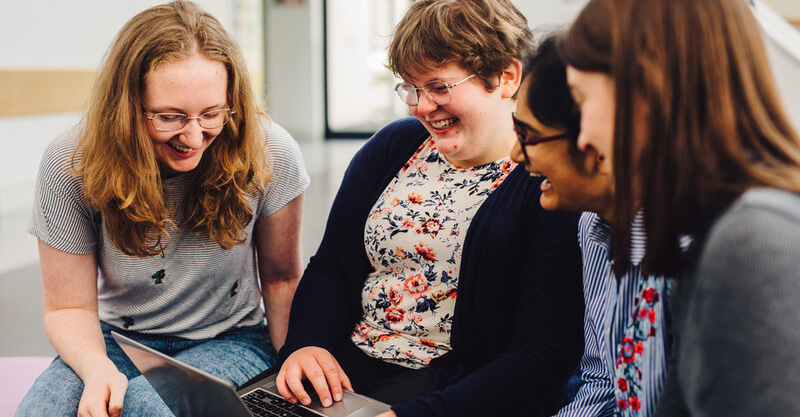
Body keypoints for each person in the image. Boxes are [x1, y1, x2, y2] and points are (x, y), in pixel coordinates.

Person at [272, 1, 585, 416]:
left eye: (439, 87)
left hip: (455, 391)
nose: (421, 106)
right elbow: (332, 267)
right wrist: (306, 344)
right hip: (350, 371)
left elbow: (542, 355)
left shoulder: (543, 179)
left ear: (507, 76)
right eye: (411, 89)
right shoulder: (393, 147)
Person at [16, 1, 310, 416]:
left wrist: (292, 370)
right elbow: (69, 307)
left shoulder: (271, 151)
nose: (193, 136)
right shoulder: (72, 161)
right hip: (116, 339)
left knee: (145, 409)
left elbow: (282, 280)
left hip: (231, 339)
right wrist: (98, 369)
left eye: (211, 113)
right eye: (170, 117)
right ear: (128, 106)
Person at [560, 0, 800, 416]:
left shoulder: (753, 240)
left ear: (645, 85)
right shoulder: (707, 226)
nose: (581, 138)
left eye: (582, 102)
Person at [509, 34, 674, 417]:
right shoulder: (594, 226)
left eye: (527, 134)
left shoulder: (697, 251)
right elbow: (603, 383)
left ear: (592, 135)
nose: (516, 153)